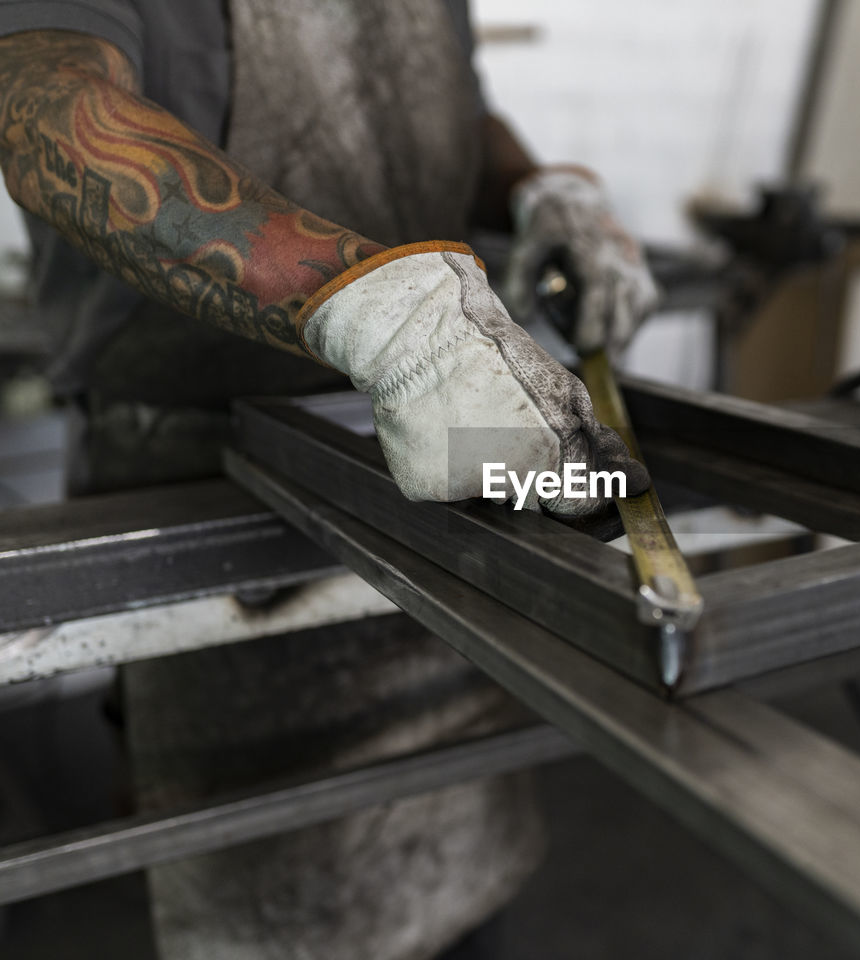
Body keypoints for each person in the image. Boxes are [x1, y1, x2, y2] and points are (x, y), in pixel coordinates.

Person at [0, 2, 658, 957]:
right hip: (211, 484)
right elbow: (45, 104)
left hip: (443, 473)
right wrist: (382, 318)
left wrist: (542, 189)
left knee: (455, 860)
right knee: (277, 891)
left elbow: (453, 120)